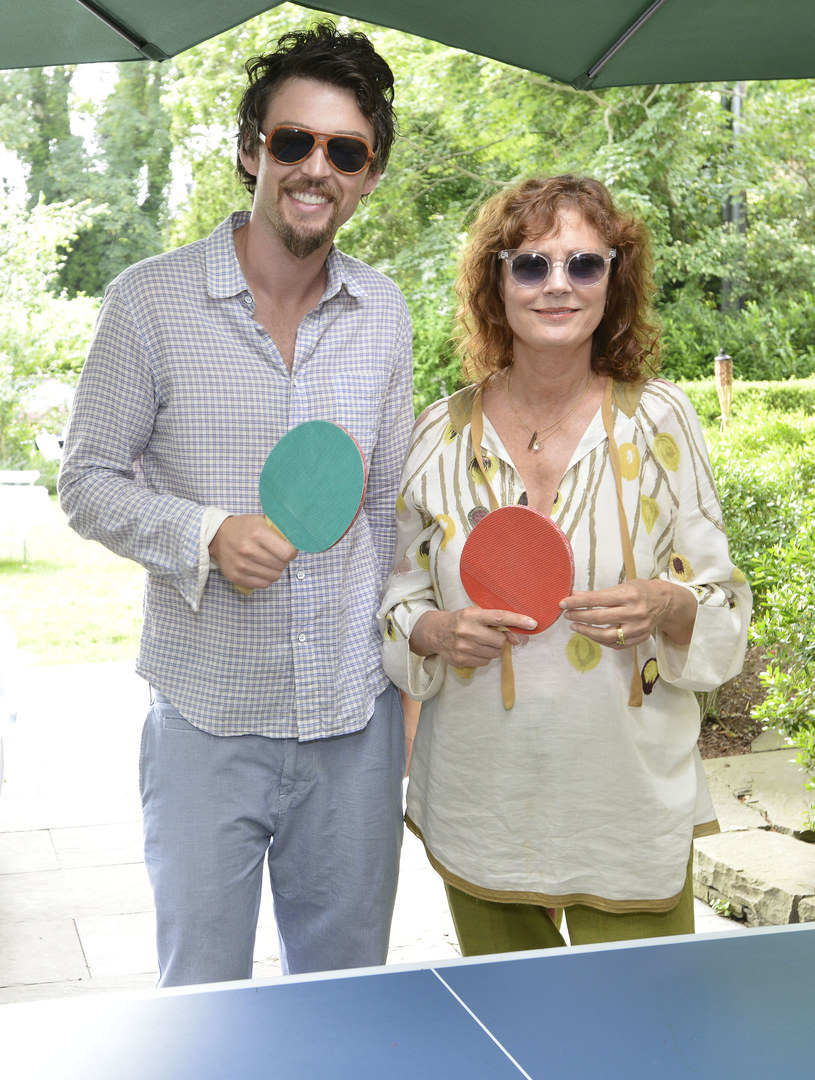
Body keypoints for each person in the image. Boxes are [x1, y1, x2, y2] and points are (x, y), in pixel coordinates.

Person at [58, 21, 414, 986]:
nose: (316, 168)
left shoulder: (383, 312)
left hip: (355, 724)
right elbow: (85, 481)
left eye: (346, 151)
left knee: (344, 1007)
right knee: (201, 1005)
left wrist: (406, 683)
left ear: (368, 175)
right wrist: (204, 534)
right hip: (207, 722)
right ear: (250, 148)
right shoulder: (148, 303)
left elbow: (387, 513)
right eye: (293, 141)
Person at [378, 175, 751, 954]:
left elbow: (718, 594)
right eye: (531, 265)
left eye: (584, 264)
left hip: (625, 805)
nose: (557, 285)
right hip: (481, 802)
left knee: (642, 1048)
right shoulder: (435, 435)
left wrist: (664, 602)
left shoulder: (660, 422)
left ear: (613, 281)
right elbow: (397, 596)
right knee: (517, 1050)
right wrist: (434, 630)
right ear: (495, 281)